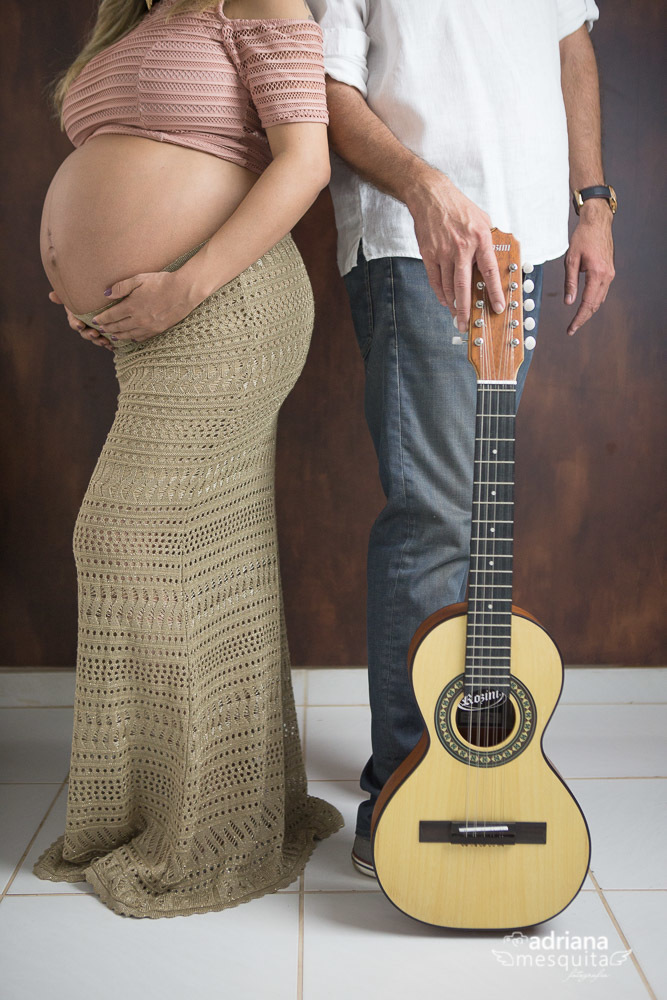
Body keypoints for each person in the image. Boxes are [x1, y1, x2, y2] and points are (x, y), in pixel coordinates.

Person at [33, 0, 343, 918]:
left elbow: (306, 161)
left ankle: (201, 822)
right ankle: (213, 803)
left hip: (226, 305)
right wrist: (83, 286)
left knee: (125, 540)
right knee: (212, 561)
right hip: (151, 327)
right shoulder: (129, 18)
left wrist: (181, 284)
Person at [309, 0, 616, 876]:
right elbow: (330, 89)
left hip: (522, 242)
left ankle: (448, 763)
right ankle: (405, 789)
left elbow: (569, 42)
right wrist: (425, 188)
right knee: (440, 517)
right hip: (419, 240)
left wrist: (591, 202)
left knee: (467, 519)